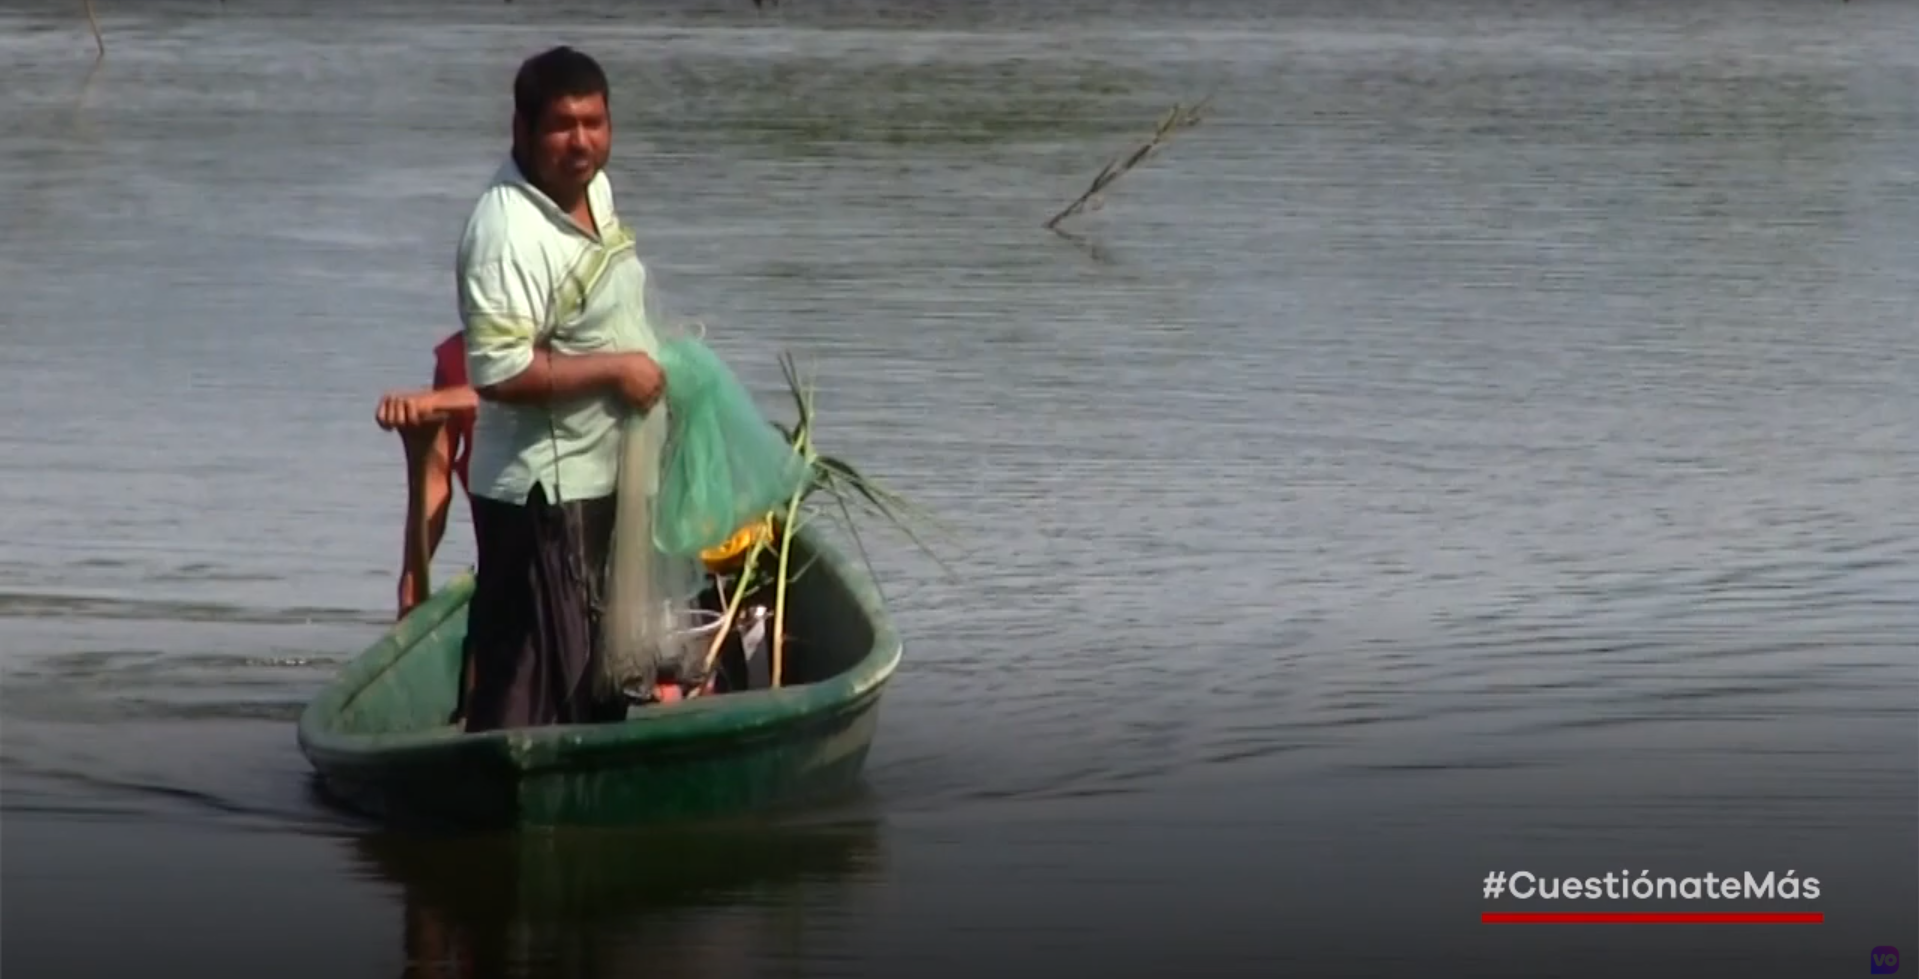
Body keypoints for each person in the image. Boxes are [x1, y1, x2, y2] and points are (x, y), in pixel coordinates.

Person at [455, 45, 668, 733]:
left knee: (593, 672)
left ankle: (589, 808)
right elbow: (499, 373)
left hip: (602, 478)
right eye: (561, 125)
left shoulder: (591, 190)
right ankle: (497, 821)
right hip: (541, 496)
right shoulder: (505, 233)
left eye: (595, 122)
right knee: (532, 683)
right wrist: (616, 371)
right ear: (521, 131)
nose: (581, 141)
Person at [374, 332, 481, 723]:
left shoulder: (564, 337)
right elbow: (435, 479)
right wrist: (410, 584)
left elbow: (524, 391)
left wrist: (437, 400)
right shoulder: (455, 358)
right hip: (502, 550)